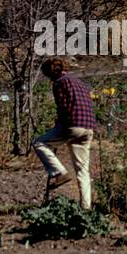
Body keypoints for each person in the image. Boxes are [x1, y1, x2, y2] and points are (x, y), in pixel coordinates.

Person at [33, 58, 98, 208]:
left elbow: (63, 106)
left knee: (39, 143)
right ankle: (86, 207)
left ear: (50, 73)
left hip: (73, 124)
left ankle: (59, 172)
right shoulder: (79, 82)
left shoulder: (59, 83)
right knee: (82, 170)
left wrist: (58, 123)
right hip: (89, 127)